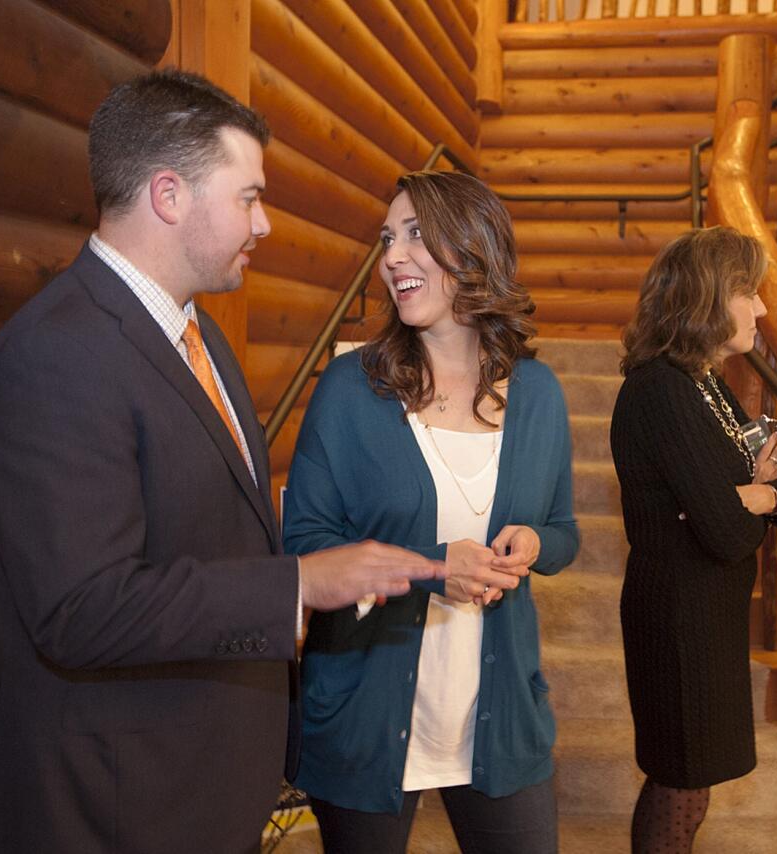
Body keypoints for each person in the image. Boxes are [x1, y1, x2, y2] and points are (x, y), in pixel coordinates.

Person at [0, 70, 444, 854]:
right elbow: (82, 608)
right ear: (170, 194)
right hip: (112, 808)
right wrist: (299, 583)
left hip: (197, 788)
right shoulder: (55, 354)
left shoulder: (199, 337)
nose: (266, 224)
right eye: (248, 196)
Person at [281, 170, 578, 853]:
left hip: (500, 724)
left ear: (473, 249)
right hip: (365, 715)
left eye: (416, 235)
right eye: (388, 239)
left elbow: (564, 532)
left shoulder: (539, 393)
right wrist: (429, 568)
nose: (392, 257)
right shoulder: (350, 390)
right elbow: (305, 543)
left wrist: (535, 542)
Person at [609, 226, 777, 854]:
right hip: (677, 619)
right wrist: (745, 498)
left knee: (692, 785)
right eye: (750, 292)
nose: (763, 308)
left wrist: (758, 495)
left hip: (705, 615)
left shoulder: (706, 382)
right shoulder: (661, 388)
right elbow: (723, 533)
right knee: (680, 785)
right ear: (708, 297)